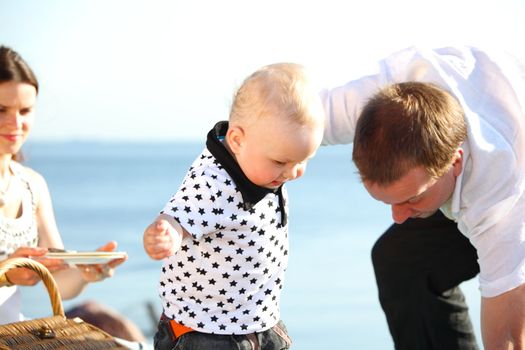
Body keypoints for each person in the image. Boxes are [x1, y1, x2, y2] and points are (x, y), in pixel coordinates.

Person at [321, 46, 525, 349]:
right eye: (388, 201)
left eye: (410, 199)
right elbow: (287, 119)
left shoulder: (500, 204)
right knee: (402, 258)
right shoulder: (385, 97)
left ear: (454, 162)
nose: (397, 216)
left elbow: (508, 336)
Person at [143, 62, 324, 349]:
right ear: (237, 140)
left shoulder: (264, 167)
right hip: (206, 332)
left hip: (258, 320)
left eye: (304, 160)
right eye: (281, 161)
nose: (292, 173)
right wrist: (167, 232)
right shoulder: (213, 181)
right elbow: (180, 214)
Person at [0, 45, 127, 323]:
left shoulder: (32, 185)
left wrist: (86, 272)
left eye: (25, 110)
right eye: (2, 110)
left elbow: (56, 281)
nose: (16, 123)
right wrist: (5, 274)